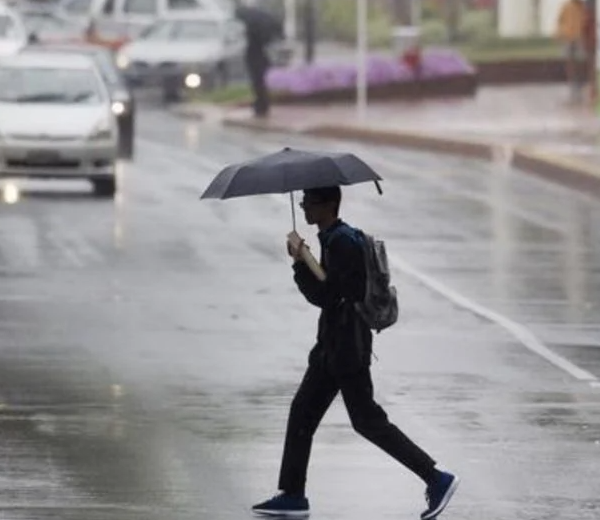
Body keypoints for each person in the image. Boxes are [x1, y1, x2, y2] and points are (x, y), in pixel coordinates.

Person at [251, 186, 460, 519]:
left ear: (329, 205)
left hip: (346, 349)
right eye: (303, 201)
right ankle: (292, 494)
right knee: (303, 412)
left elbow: (330, 296)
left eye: (310, 202)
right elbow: (333, 291)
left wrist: (299, 265)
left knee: (367, 421)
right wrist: (306, 260)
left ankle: (435, 478)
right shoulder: (334, 238)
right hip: (333, 347)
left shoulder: (342, 242)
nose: (304, 207)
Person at [556, 0, 588, 102]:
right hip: (568, 37)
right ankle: (572, 84)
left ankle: (580, 83)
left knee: (580, 60)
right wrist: (559, 33)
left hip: (579, 37)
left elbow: (586, 20)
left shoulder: (583, 7)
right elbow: (560, 20)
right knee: (569, 62)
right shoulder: (566, 6)